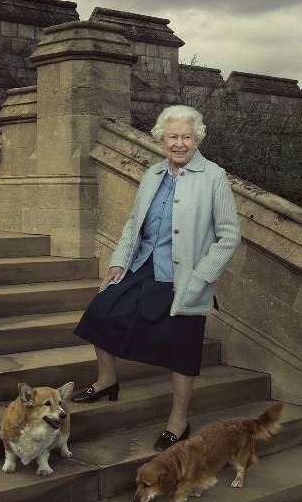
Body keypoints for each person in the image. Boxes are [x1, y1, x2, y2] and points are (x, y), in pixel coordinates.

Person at [71, 105, 241, 452]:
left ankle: (179, 421)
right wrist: (119, 261)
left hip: (185, 277)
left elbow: (229, 235)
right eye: (173, 137)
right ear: (162, 138)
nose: (179, 143)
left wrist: (201, 278)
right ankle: (107, 381)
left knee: (182, 348)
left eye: (186, 137)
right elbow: (135, 223)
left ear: (197, 139)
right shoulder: (152, 174)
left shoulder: (214, 176)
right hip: (144, 265)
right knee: (100, 312)